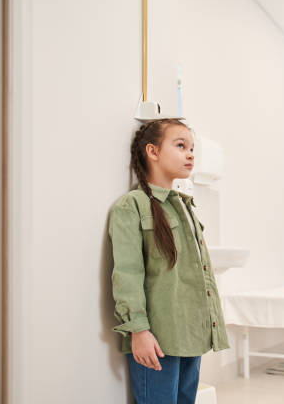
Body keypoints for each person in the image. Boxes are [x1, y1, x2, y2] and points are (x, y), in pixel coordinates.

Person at [108, 119, 229, 403]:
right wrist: (139, 331)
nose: (190, 154)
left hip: (190, 335)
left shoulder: (185, 205)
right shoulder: (132, 205)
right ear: (153, 151)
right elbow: (128, 273)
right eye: (180, 146)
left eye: (192, 148)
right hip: (158, 338)